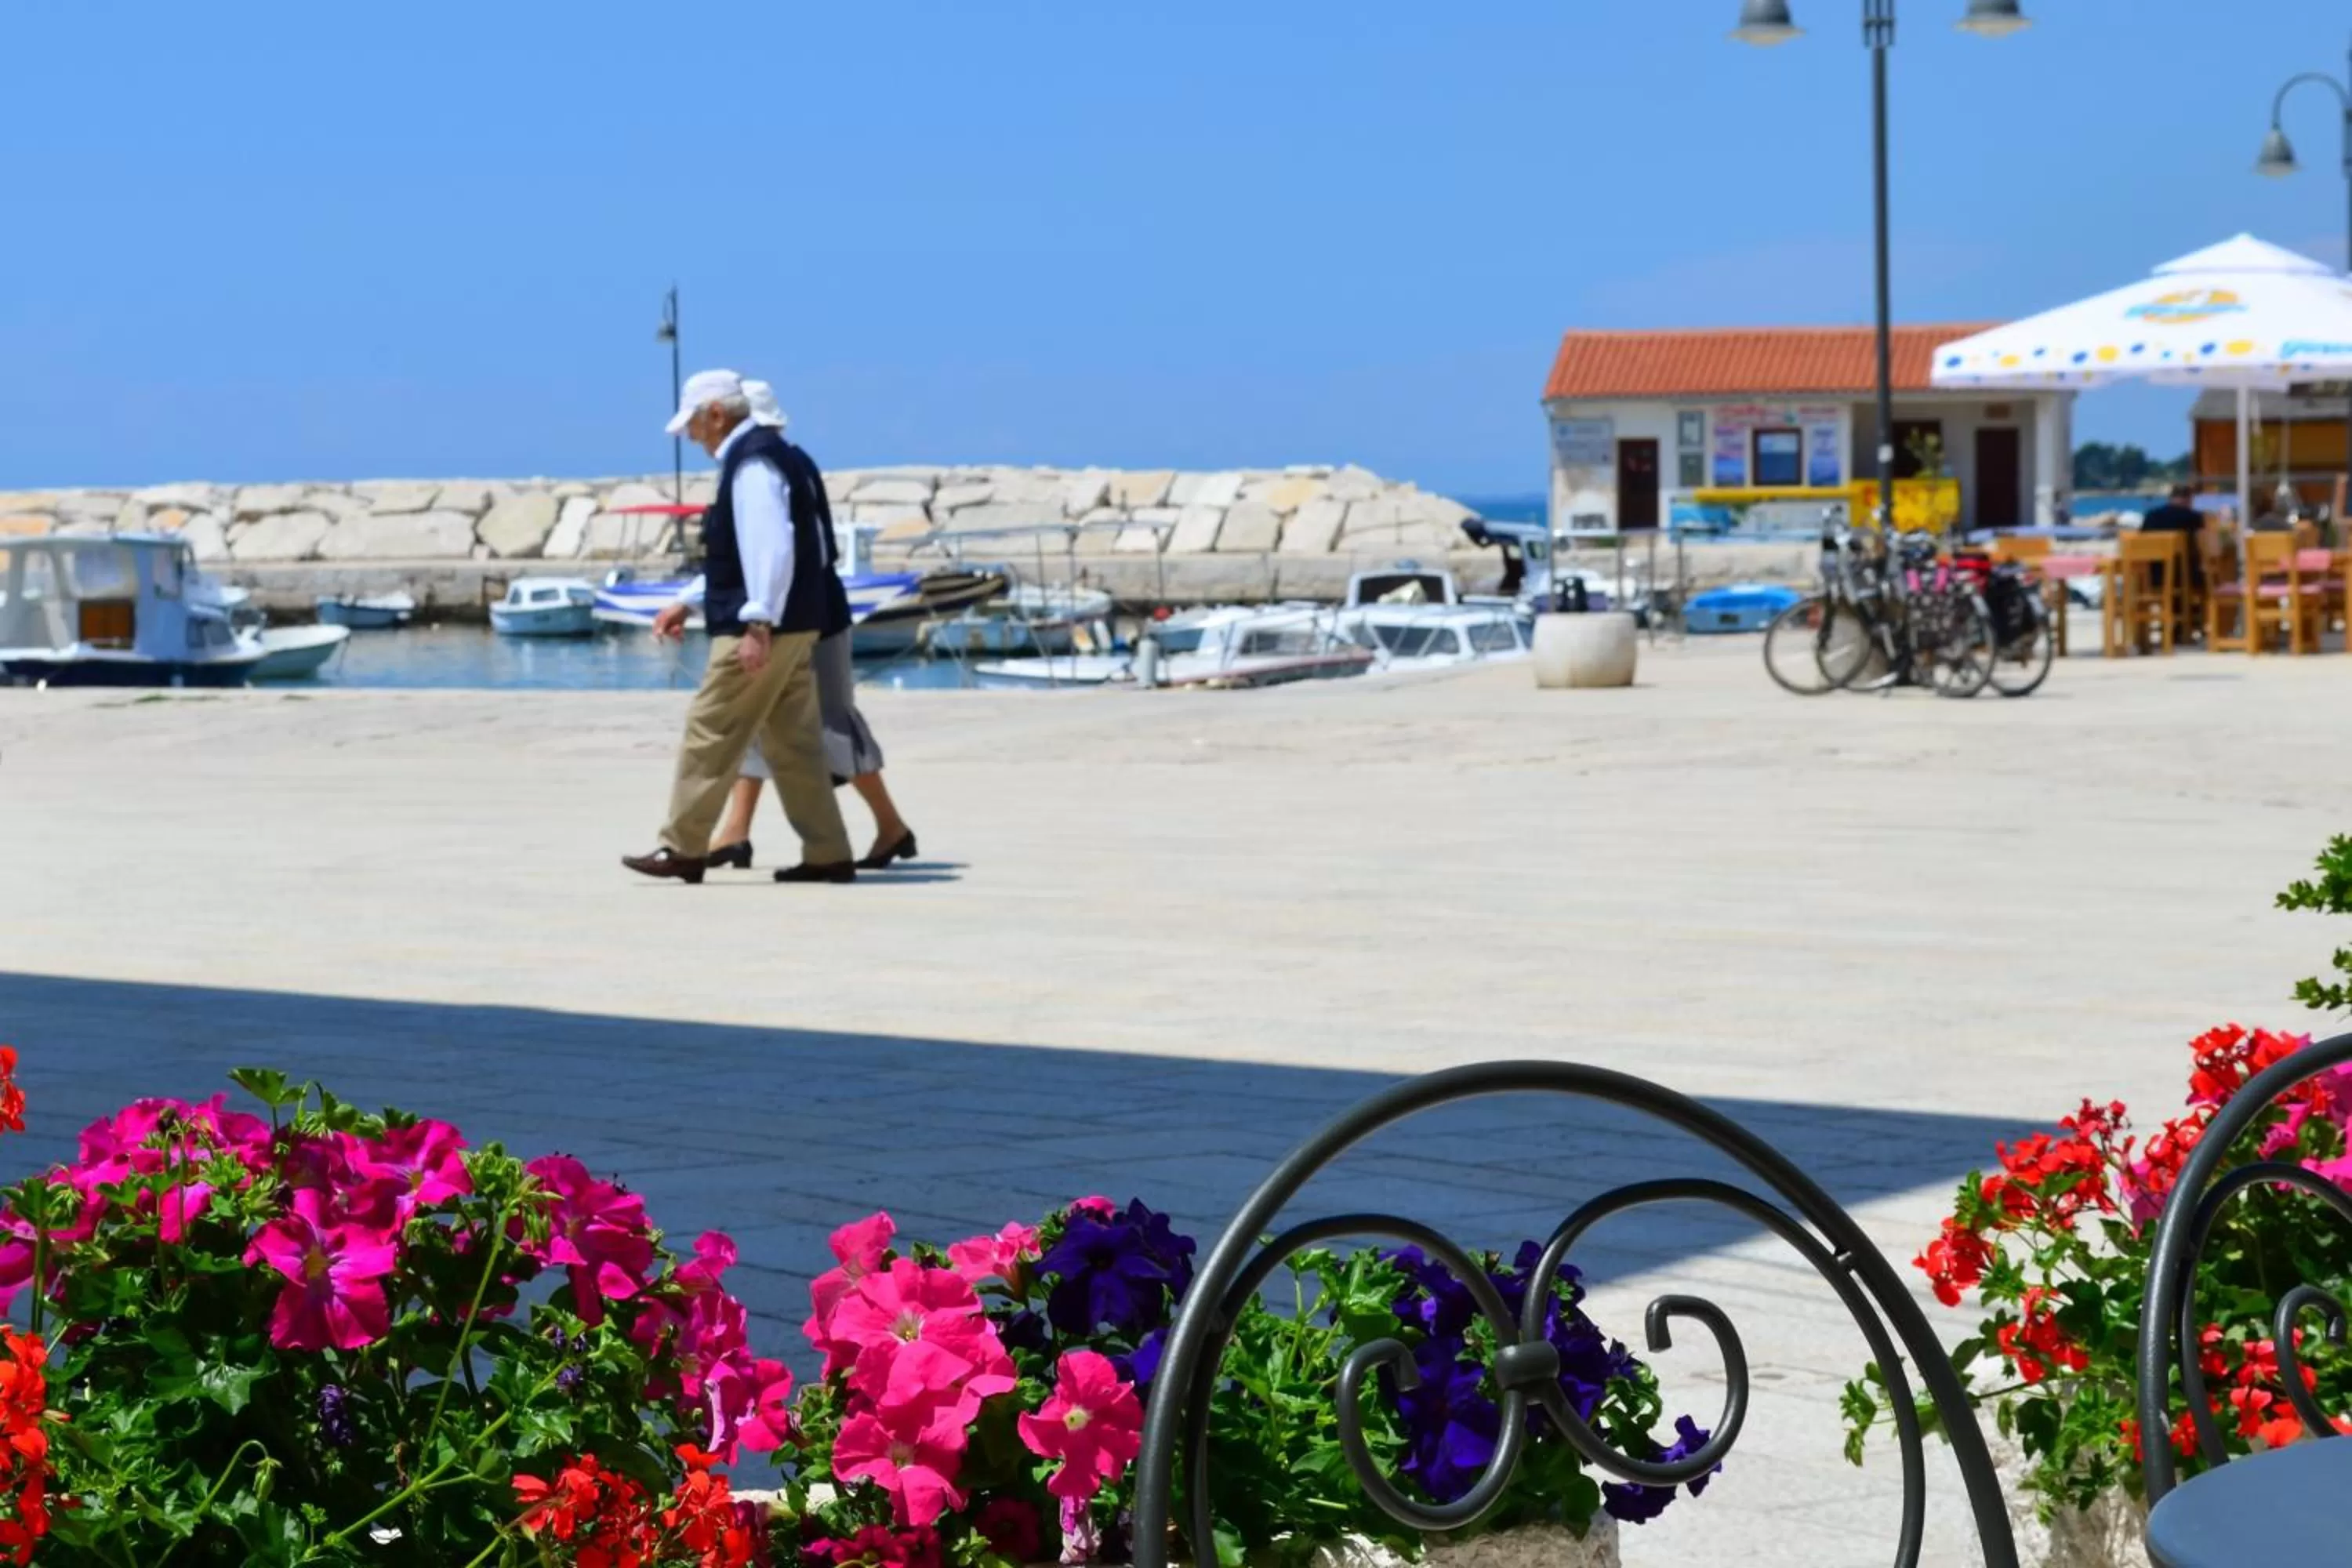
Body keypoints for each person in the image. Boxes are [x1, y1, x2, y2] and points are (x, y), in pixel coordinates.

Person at [621, 368, 855, 885]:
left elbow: (770, 548)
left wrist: (757, 624)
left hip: (764, 628)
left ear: (718, 415)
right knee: (794, 744)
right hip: (798, 624)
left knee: (711, 729)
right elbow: (756, 553)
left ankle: (683, 846)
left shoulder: (751, 466)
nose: (692, 437)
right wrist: (691, 601)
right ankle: (828, 852)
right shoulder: (774, 458)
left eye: (695, 426)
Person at [704, 381, 918, 873]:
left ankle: (891, 825)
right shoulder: (781, 461)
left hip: (808, 616)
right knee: (762, 720)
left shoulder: (769, 466)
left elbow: (778, 556)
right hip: (800, 612)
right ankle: (736, 829)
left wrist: (759, 618)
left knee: (831, 724)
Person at [2138, 483, 2206, 593]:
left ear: (2170, 498)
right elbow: (2202, 545)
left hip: (2154, 575)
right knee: (2209, 578)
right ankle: (2199, 609)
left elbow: (2142, 543)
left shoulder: (2151, 516)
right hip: (2184, 576)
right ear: (2189, 499)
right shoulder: (2194, 517)